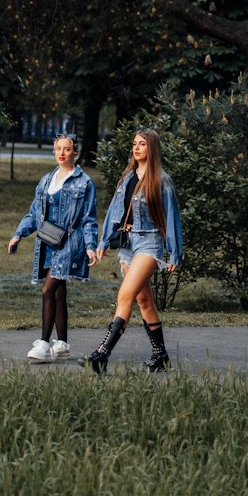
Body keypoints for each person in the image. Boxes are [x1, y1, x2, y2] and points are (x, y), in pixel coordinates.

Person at [85, 127, 183, 374]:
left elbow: (172, 218)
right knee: (143, 299)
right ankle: (161, 356)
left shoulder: (161, 180)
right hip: (127, 245)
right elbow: (113, 212)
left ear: (152, 148)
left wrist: (175, 251)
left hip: (149, 243)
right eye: (134, 144)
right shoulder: (127, 176)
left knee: (125, 295)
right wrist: (104, 242)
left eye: (142, 144)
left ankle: (102, 354)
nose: (136, 148)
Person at [9, 135, 99, 362]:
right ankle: (62, 345)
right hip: (49, 242)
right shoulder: (46, 181)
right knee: (59, 293)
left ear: (74, 152)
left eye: (67, 149)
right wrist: (19, 234)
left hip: (71, 242)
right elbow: (34, 213)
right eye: (58, 148)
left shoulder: (84, 182)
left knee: (47, 290)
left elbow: (89, 218)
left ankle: (43, 345)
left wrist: (90, 245)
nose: (62, 153)